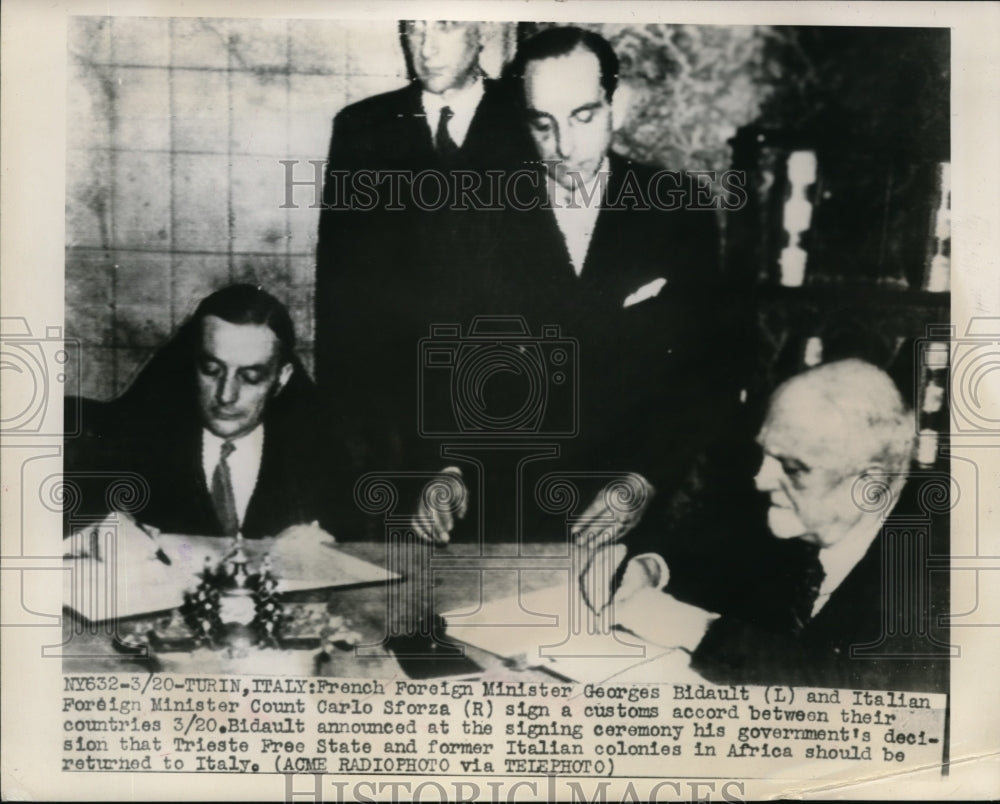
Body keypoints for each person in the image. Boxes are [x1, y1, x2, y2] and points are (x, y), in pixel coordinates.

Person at [416, 26, 740, 544]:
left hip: (626, 513)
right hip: (501, 512)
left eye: (583, 117)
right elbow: (445, 360)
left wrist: (643, 478)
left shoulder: (677, 208)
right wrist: (449, 471)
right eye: (543, 125)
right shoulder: (477, 214)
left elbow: (708, 370)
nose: (564, 147)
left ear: (620, 104)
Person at [593, 359, 949, 692]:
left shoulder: (940, 568)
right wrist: (654, 572)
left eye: (792, 468)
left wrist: (698, 630)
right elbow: (719, 566)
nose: (761, 478)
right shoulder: (801, 511)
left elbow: (850, 687)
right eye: (765, 454)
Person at [315, 20, 533, 475]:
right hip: (390, 416)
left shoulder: (531, 123)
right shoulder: (361, 128)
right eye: (414, 28)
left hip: (502, 409)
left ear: (486, 30)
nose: (427, 48)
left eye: (447, 27)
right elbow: (338, 288)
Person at [64, 285, 353, 544]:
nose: (226, 395)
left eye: (251, 376)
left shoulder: (324, 457)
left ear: (282, 377)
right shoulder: (131, 446)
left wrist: (327, 552)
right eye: (211, 370)